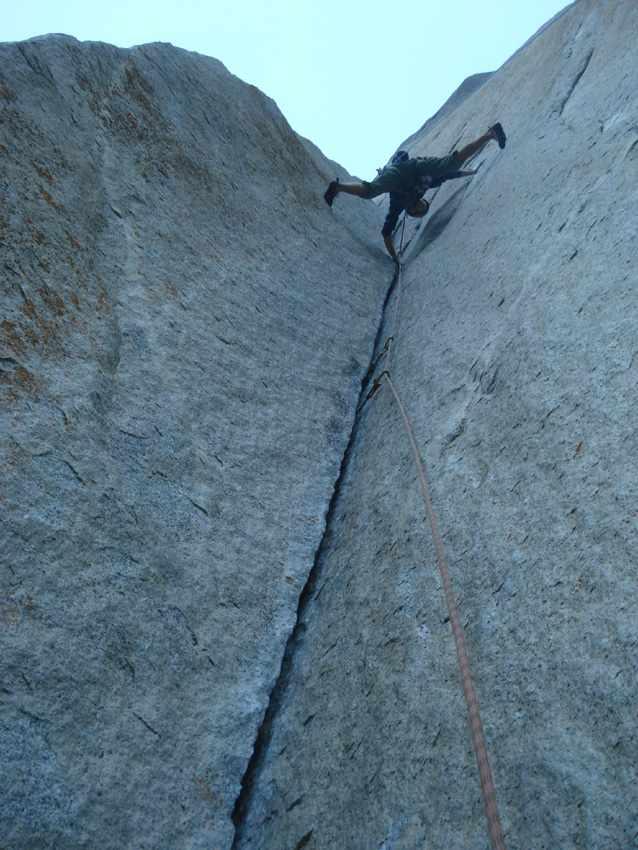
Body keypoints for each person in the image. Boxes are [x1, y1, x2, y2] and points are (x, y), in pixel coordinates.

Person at [324, 123, 507, 263]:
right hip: (406, 170)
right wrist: (471, 172)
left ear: (411, 212)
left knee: (372, 191)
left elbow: (387, 233)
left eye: (419, 210)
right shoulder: (424, 189)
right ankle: (490, 134)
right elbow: (451, 175)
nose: (420, 207)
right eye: (423, 207)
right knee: (450, 164)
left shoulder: (397, 205)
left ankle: (338, 188)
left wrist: (395, 258)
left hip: (404, 174)